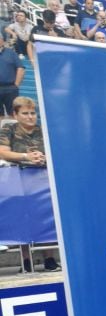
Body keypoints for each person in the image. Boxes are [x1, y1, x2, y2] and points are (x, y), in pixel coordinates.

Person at [0, 96, 60, 272]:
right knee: (21, 217)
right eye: (25, 113)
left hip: (42, 179)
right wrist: (26, 157)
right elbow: (3, 152)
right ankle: (26, 260)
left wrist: (44, 157)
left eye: (33, 113)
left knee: (46, 215)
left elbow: (56, 151)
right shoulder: (8, 129)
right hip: (16, 180)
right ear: (15, 114)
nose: (30, 116)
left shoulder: (44, 130)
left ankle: (49, 258)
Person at [0, 30, 23, 120]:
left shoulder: (11, 53)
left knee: (13, 114)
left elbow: (20, 68)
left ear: (2, 40)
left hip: (10, 88)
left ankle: (13, 133)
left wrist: (16, 85)